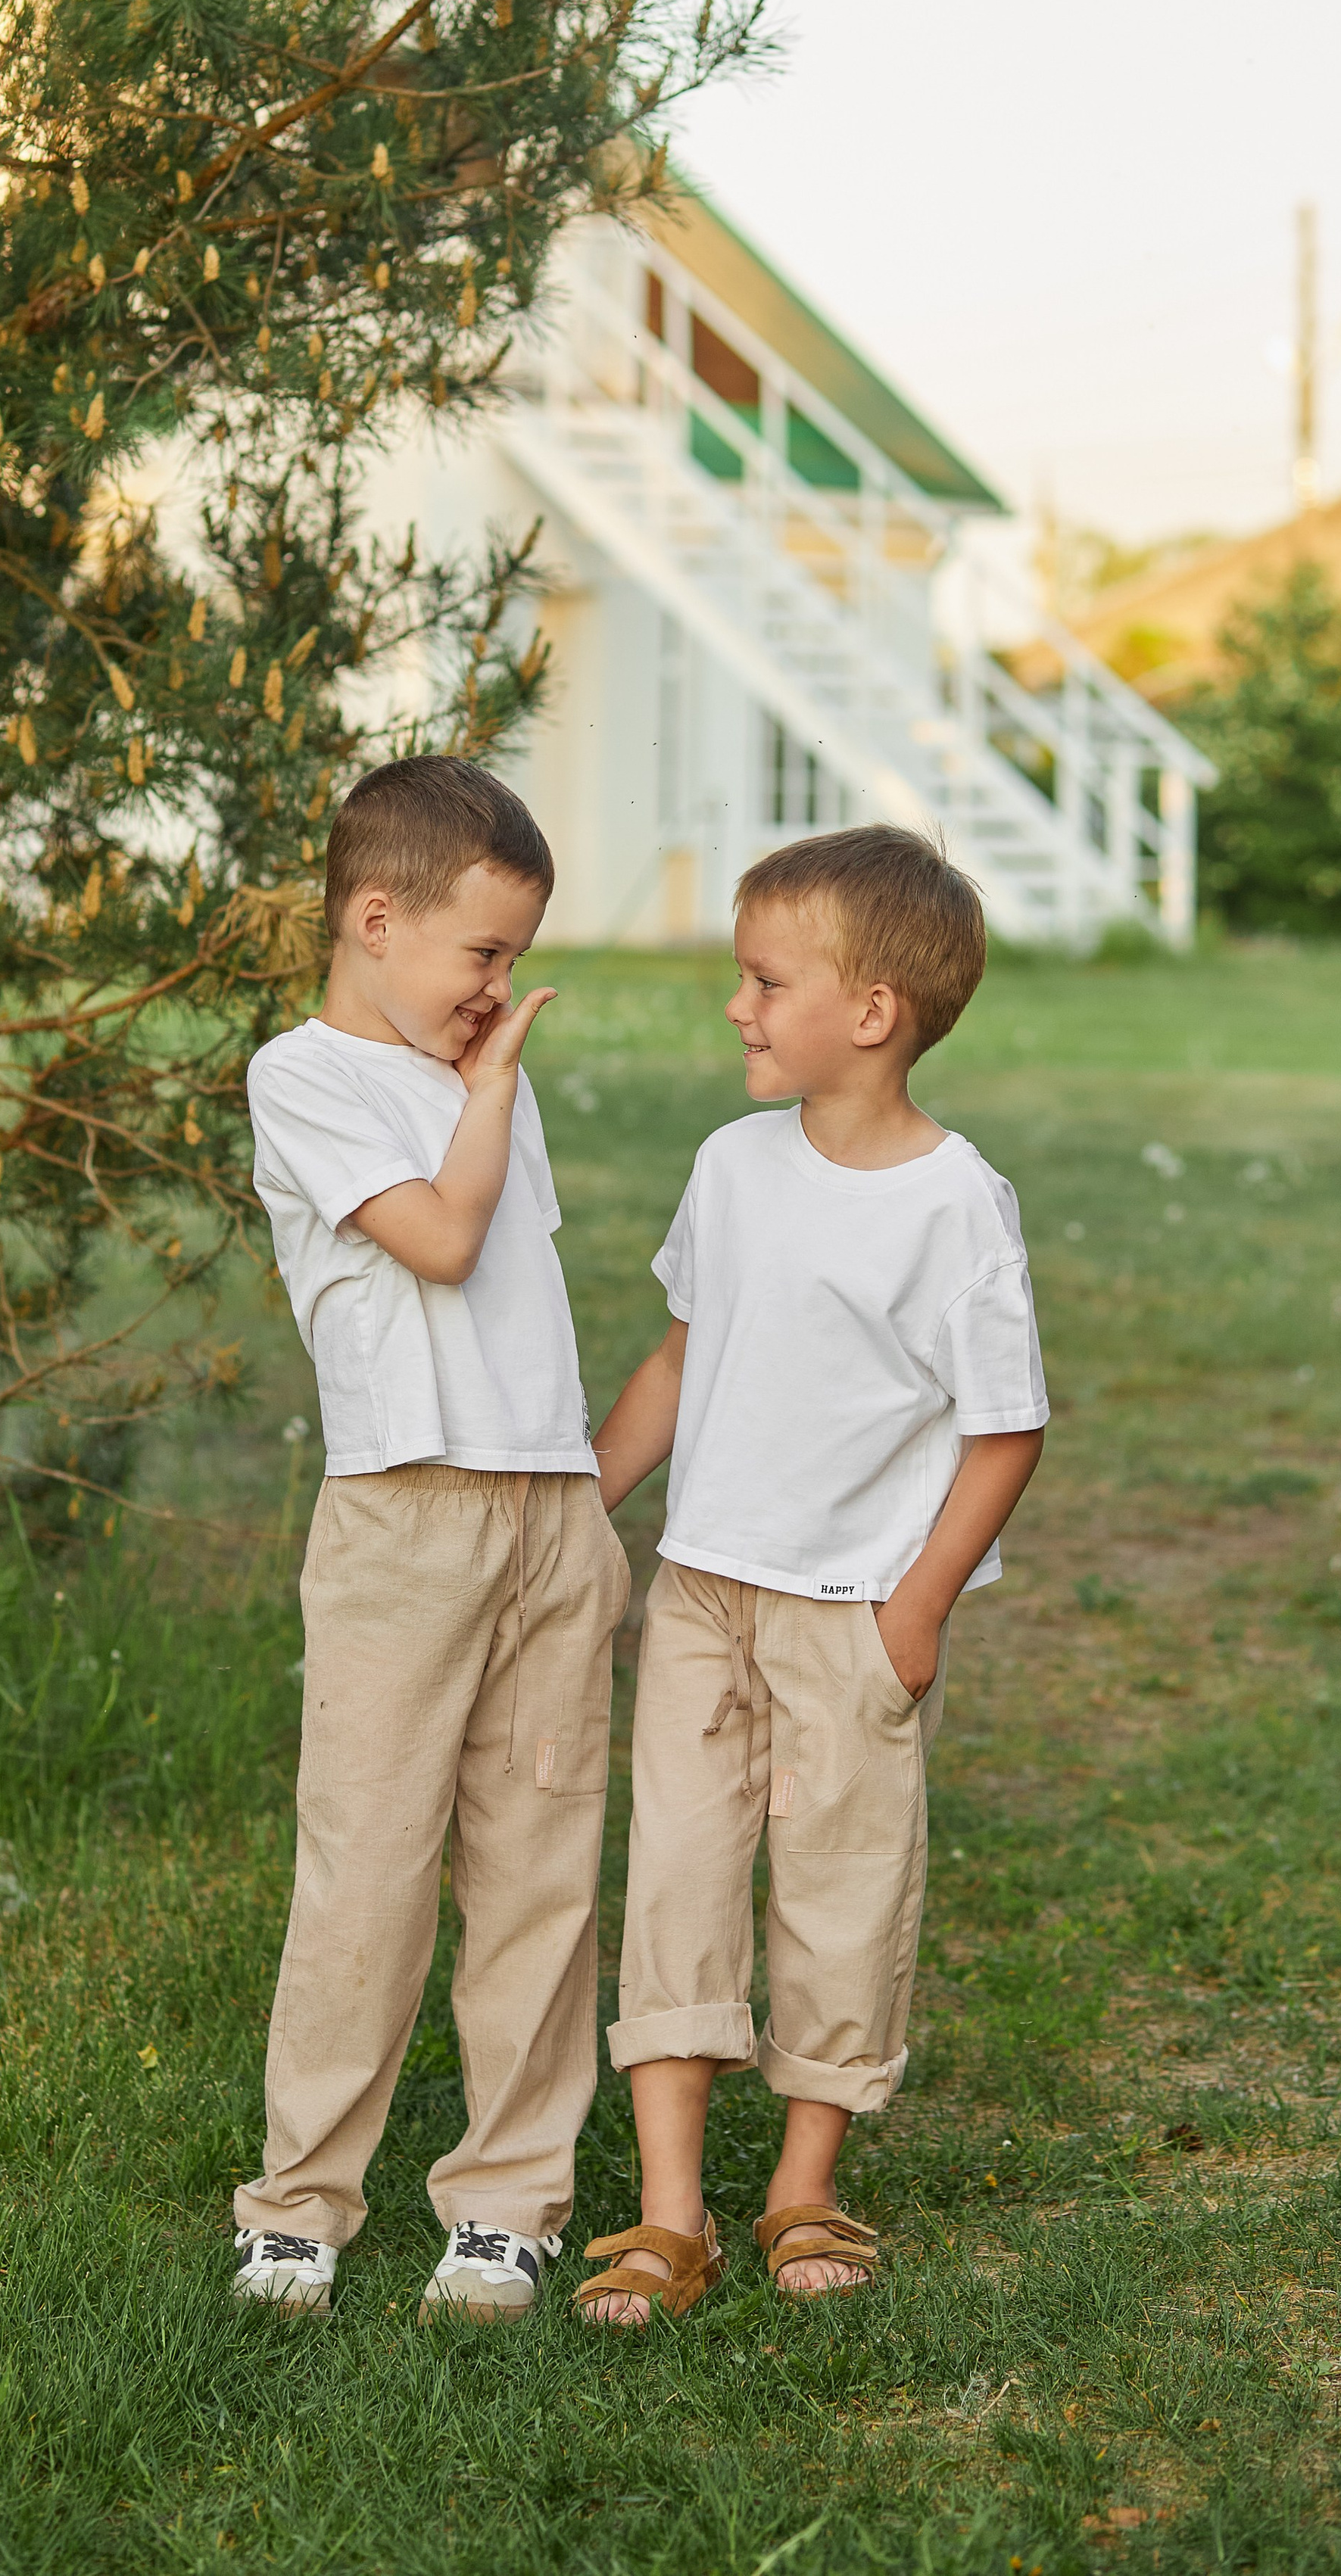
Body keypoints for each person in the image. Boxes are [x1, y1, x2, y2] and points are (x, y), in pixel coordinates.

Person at [572, 824, 1047, 2327]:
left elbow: (1003, 1430)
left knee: (840, 1888)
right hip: (703, 1590)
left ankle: (800, 2187)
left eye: (765, 981)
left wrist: (910, 1611)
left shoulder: (953, 1205)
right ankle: (666, 2214)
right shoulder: (731, 1166)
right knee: (679, 1877)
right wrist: (584, 1501)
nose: (736, 1006)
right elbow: (680, 1353)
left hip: (851, 1610)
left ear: (870, 1013)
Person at [230, 755, 627, 2323]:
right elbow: (444, 1246)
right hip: (403, 1517)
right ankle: (299, 2202)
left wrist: (582, 1496)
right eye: (481, 954)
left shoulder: (477, 1083)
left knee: (536, 1866)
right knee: (370, 1865)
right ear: (375, 919)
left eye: (516, 958)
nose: (498, 987)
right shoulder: (306, 1075)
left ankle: (508, 2199)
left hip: (545, 1510)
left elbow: (519, 1306)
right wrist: (488, 1089)